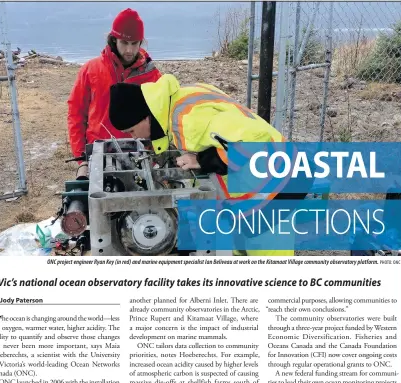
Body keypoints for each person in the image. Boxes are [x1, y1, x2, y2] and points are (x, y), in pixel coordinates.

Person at [108, 74, 309, 256]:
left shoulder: (187, 121)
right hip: (267, 178)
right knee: (239, 241)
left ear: (145, 117)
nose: (133, 137)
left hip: (279, 183)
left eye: (132, 130)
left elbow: (253, 140)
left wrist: (203, 160)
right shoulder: (178, 103)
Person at [67, 8, 162, 180]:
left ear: (141, 42)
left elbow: (161, 119)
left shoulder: (153, 76)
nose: (129, 50)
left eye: (134, 43)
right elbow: (76, 114)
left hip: (139, 155)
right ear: (113, 39)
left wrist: (157, 155)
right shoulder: (91, 70)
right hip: (98, 153)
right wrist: (81, 158)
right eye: (124, 43)